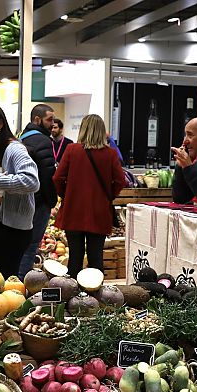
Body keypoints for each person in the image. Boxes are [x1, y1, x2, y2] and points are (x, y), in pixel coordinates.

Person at [53, 114, 125, 278]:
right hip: (99, 212)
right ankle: (95, 297)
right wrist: (108, 195)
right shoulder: (110, 154)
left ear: (83, 129)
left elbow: (57, 178)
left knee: (75, 258)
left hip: (73, 211)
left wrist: (67, 195)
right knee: (95, 258)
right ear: (101, 131)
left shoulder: (72, 150)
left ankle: (72, 297)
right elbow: (120, 181)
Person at [0, 102, 39, 278]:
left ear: (0, 123)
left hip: (14, 229)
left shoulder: (14, 149)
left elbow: (32, 181)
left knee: (2, 281)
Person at [18, 104, 57, 279]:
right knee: (31, 245)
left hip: (22, 200)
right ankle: (23, 282)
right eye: (49, 119)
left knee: (21, 244)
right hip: (39, 202)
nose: (53, 124)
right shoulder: (43, 141)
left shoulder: (21, 138)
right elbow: (48, 175)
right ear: (37, 119)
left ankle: (15, 282)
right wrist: (52, 201)